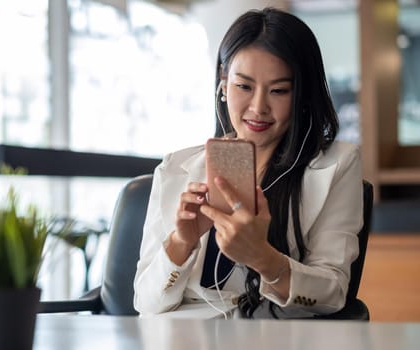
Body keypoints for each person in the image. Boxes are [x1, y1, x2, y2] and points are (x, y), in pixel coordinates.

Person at [133, 7, 363, 319]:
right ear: (223, 84)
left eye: (279, 91)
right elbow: (145, 305)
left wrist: (264, 258)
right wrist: (181, 242)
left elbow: (333, 293)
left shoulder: (338, 165)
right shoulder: (175, 168)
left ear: (302, 95)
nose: (258, 107)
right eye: (243, 86)